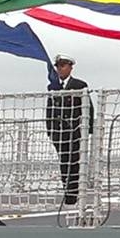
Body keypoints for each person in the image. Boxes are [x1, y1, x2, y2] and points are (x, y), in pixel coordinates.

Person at [45, 54, 89, 206]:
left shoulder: (79, 85)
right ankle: (67, 190)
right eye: (58, 66)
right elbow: (49, 109)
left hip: (74, 131)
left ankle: (73, 193)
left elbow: (87, 108)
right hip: (59, 132)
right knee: (63, 163)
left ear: (70, 67)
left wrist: (86, 131)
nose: (60, 69)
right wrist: (49, 130)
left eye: (63, 66)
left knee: (74, 162)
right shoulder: (53, 87)